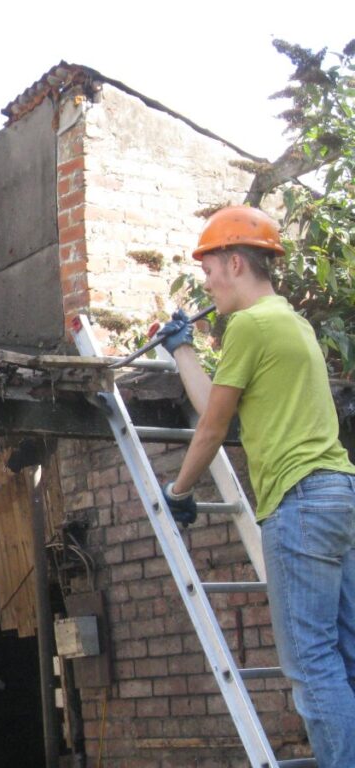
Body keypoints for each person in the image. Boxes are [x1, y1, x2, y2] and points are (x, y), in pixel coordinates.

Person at [158, 205, 355, 767]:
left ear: (237, 262)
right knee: (346, 655)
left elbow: (213, 429)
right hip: (340, 495)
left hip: (299, 503)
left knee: (310, 665)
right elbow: (224, 406)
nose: (207, 282)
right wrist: (184, 349)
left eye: (210, 269)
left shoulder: (248, 325)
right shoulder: (291, 323)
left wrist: (179, 491)